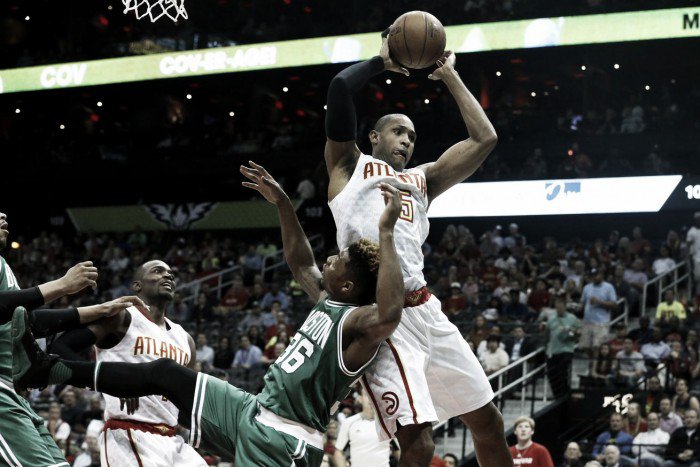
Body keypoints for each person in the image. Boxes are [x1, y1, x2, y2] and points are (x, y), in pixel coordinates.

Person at [14, 163, 406, 466]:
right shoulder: (326, 297)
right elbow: (298, 258)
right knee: (164, 373)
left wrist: (386, 233)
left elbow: (390, 313)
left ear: (349, 286)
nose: (329, 259)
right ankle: (50, 369)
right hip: (252, 409)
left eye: (337, 261)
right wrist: (284, 203)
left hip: (287, 437)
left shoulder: (359, 323)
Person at [323, 29, 508, 466]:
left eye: (412, 136)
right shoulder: (348, 167)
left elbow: (485, 139)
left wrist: (449, 76)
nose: (407, 140)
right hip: (382, 317)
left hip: (426, 308)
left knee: (489, 424)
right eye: (397, 132)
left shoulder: (423, 180)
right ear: (373, 138)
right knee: (419, 444)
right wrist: (380, 62)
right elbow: (338, 89)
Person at [0, 210, 139, 467]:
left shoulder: (3, 266)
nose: (3, 215)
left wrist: (99, 310)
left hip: (12, 391)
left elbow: (29, 321)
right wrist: (62, 284)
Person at [49, 259, 203, 467]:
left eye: (171, 274)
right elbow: (61, 348)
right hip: (129, 431)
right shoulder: (121, 316)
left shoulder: (186, 340)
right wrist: (109, 383)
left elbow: (187, 398)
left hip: (173, 438)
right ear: (137, 285)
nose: (168, 276)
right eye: (158, 271)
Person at [334, 388, 392, 467]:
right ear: (360, 399)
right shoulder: (349, 422)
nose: (371, 398)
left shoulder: (389, 422)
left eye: (375, 394)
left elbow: (399, 450)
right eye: (367, 395)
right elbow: (338, 451)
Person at [545, 296, 581, 398]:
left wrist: (572, 333)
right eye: (557, 308)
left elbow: (578, 334)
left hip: (566, 350)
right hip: (552, 351)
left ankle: (564, 395)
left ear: (565, 307)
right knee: (551, 375)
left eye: (560, 308)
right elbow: (547, 333)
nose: (558, 310)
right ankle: (556, 396)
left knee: (562, 375)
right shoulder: (551, 318)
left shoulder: (572, 318)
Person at [579, 268, 618, 359]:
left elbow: (614, 305)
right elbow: (582, 302)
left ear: (601, 275)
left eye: (596, 275)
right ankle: (592, 365)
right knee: (585, 347)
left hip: (601, 322)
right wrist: (577, 306)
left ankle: (593, 370)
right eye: (592, 276)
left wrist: (599, 302)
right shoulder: (587, 287)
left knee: (597, 347)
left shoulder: (608, 287)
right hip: (587, 321)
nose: (594, 278)